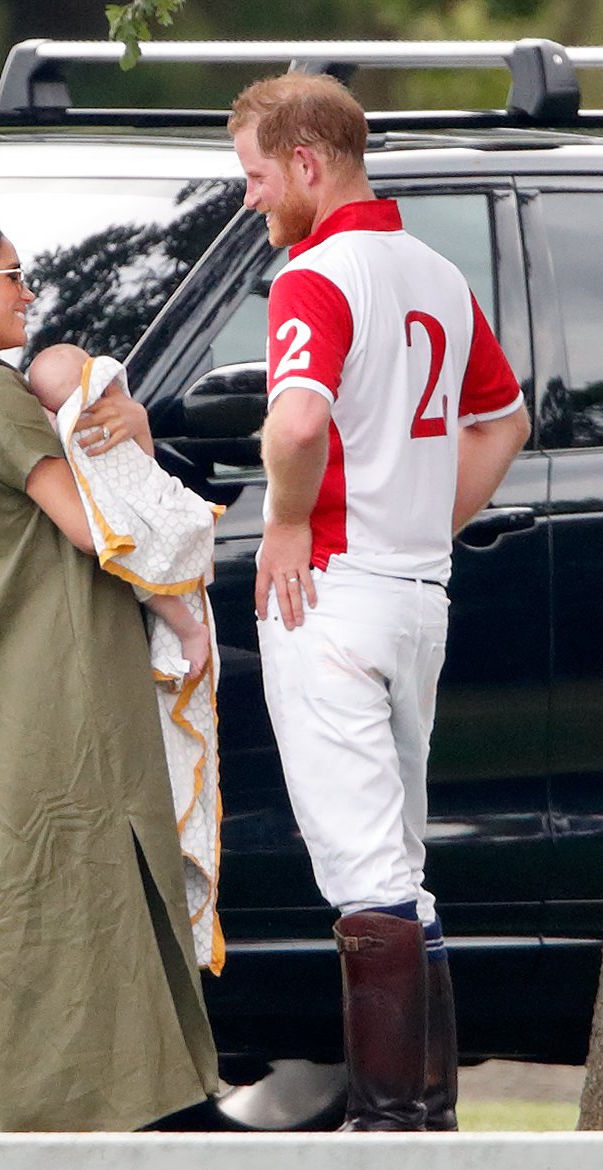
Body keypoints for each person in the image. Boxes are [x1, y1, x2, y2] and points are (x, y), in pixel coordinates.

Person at [0, 217, 218, 1132]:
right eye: (9, 276)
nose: (28, 292)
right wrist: (181, 604)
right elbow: (99, 525)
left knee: (20, 911)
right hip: (40, 697)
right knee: (82, 900)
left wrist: (125, 424)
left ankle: (47, 1121)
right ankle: (129, 1118)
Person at [229, 73, 530, 1131]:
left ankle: (392, 1124)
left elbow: (298, 423)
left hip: (331, 591)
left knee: (364, 870)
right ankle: (424, 1116)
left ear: (307, 165)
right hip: (414, 593)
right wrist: (422, 517)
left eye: (258, 178)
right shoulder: (435, 270)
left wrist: (282, 521)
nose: (254, 201)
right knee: (398, 863)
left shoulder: (313, 276)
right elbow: (504, 421)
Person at [27, 342, 225, 975]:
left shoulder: (119, 430)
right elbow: (124, 540)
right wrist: (186, 618)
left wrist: (141, 435)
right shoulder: (77, 452)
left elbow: (152, 498)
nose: (110, 403)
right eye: (96, 394)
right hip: (158, 607)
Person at [28, 342, 212, 681]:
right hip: (123, 534)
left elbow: (142, 468)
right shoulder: (60, 431)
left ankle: (189, 630)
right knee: (139, 563)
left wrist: (138, 422)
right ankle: (188, 630)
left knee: (141, 562)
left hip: (148, 514)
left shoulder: (114, 414)